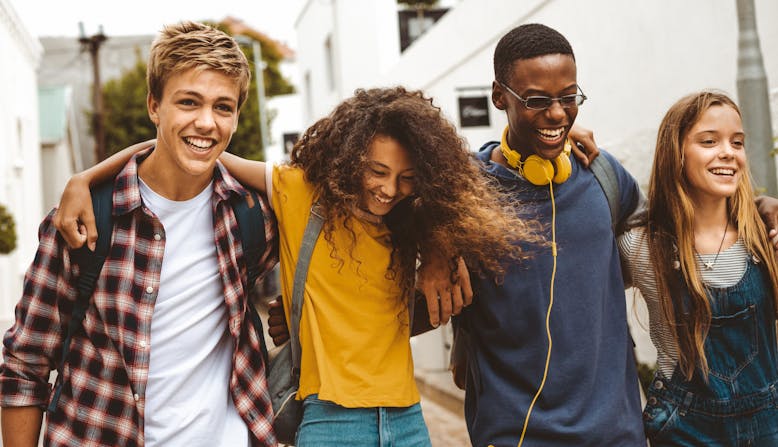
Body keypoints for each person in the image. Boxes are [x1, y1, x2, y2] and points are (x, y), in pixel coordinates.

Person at [49, 86, 542, 446]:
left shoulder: (411, 220)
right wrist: (85, 178)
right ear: (349, 158)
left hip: (408, 419)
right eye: (376, 171)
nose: (389, 189)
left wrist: (442, 250)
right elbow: (201, 153)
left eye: (407, 178)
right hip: (331, 422)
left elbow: (471, 184)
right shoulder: (301, 193)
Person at [0, 22, 279, 446]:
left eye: (223, 107)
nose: (206, 122)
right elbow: (25, 364)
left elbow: (323, 192)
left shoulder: (251, 217)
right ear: (154, 105)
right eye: (189, 102)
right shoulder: (85, 219)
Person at [458, 23, 647, 446]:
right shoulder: (464, 193)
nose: (559, 114)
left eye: (568, 97)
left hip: (617, 434)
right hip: (515, 435)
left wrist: (762, 207)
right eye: (538, 100)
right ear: (499, 96)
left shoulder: (603, 174)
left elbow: (677, 225)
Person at [618, 91, 778, 446]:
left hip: (770, 424)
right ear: (675, 154)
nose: (728, 152)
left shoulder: (764, 238)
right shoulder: (642, 247)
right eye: (709, 141)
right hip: (684, 426)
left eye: (737, 142)